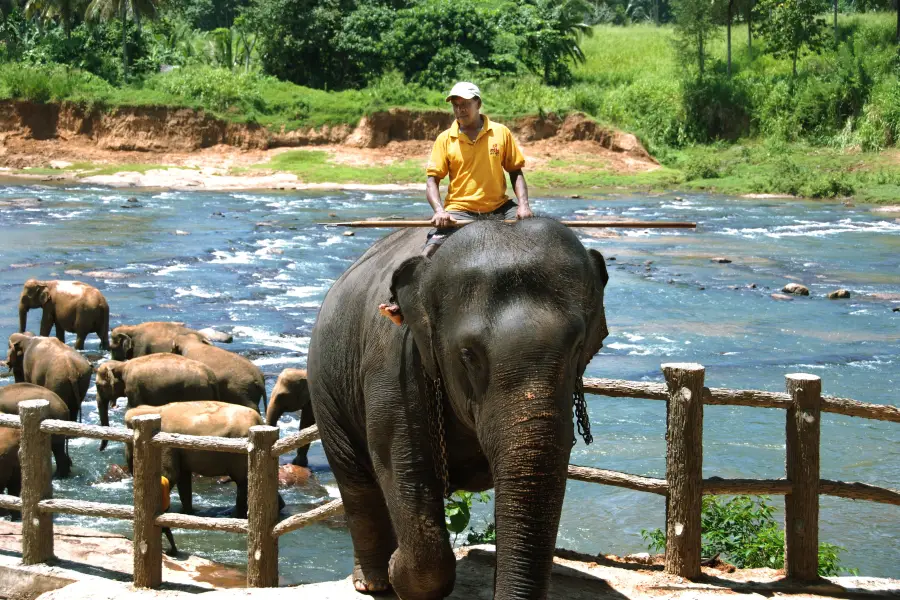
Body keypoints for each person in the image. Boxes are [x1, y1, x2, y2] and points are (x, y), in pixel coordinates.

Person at [379, 81, 533, 324]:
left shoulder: (500, 133)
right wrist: (439, 211)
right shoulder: (445, 139)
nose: (460, 110)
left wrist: (523, 205)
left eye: (466, 104)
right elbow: (432, 181)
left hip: (499, 207)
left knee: (535, 235)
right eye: (456, 105)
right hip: (460, 210)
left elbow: (516, 172)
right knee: (431, 250)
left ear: (478, 104)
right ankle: (399, 303)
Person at [161, 475, 178, 557]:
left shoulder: (156, 482)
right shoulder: (164, 479)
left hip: (159, 506)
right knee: (165, 527)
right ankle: (173, 547)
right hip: (167, 505)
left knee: (163, 527)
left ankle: (174, 548)